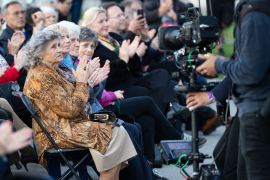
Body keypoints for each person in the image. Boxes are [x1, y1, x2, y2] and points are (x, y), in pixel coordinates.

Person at [23, 30, 139, 180]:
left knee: (116, 122)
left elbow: (77, 97)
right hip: (58, 131)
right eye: (53, 47)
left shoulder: (55, 69)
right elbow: (70, 109)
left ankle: (115, 174)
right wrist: (83, 82)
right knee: (112, 128)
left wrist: (89, 80)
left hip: (75, 120)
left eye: (58, 45)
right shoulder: (41, 77)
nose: (59, 49)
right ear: (39, 54)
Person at [192, 0, 270, 179]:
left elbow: (251, 71)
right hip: (254, 108)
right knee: (226, 160)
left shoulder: (254, 13)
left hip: (257, 110)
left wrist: (218, 64)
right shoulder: (253, 9)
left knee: (236, 169)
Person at [82, 7, 192, 122]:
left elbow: (135, 68)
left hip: (131, 79)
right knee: (154, 94)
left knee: (161, 74)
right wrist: (123, 60)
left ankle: (171, 109)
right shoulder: (93, 47)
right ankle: (165, 122)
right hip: (117, 87)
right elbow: (107, 77)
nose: (106, 24)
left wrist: (135, 56)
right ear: (90, 27)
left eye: (106, 20)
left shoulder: (115, 38)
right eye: (101, 21)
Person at [0, 1, 32, 87]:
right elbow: (7, 70)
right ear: (6, 17)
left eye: (22, 12)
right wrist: (12, 53)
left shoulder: (33, 30)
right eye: (16, 13)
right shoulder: (5, 38)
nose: (21, 16)